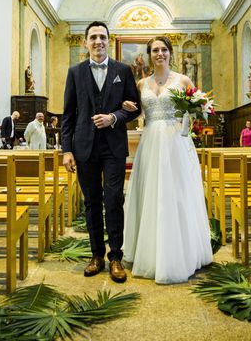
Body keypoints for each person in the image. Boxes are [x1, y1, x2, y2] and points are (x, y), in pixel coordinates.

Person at [121, 36, 213, 284]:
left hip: (176, 142)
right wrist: (128, 107)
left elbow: (196, 110)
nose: (159, 53)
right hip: (151, 140)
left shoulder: (183, 80)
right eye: (155, 50)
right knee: (151, 192)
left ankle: (181, 252)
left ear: (171, 53)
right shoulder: (141, 83)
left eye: (163, 50)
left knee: (177, 193)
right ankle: (149, 251)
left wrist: (197, 111)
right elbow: (140, 112)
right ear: (149, 55)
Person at [61, 21, 140, 283]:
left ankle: (115, 256)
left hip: (114, 147)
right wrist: (66, 151)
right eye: (93, 37)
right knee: (92, 202)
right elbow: (68, 115)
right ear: (85, 42)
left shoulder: (123, 70)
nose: (98, 41)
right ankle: (96, 255)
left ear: (108, 40)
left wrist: (114, 117)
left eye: (103, 37)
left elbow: (135, 107)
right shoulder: (75, 72)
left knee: (114, 199)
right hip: (84, 147)